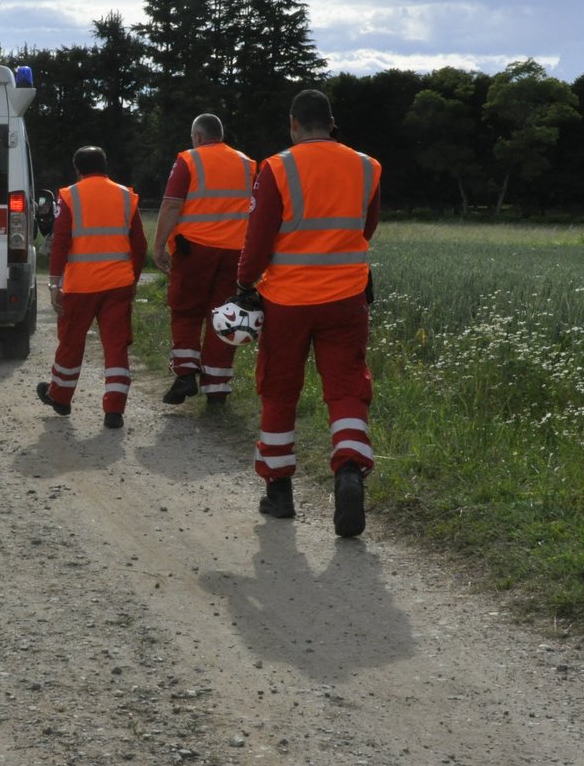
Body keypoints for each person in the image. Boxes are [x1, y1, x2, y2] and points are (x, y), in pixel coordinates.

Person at [234, 89, 381, 537]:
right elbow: (366, 227)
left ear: (294, 124)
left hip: (287, 302)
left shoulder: (276, 168)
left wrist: (244, 284)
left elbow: (258, 240)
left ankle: (279, 491)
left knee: (279, 391)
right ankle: (350, 469)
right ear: (331, 122)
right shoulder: (367, 166)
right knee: (347, 388)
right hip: (346, 299)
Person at [36, 146, 149, 429]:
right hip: (118, 285)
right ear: (105, 165)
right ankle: (114, 410)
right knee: (116, 345)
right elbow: (140, 245)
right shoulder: (126, 196)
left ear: (78, 169)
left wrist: (54, 283)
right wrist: (133, 280)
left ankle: (60, 397)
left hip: (80, 286)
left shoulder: (69, 196)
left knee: (72, 342)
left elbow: (60, 243)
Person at [153, 113, 256, 408]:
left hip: (194, 249)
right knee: (225, 317)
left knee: (185, 312)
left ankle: (186, 374)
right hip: (236, 251)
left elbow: (172, 204)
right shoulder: (249, 164)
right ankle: (217, 389)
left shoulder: (188, 160)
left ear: (197, 137)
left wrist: (159, 246)